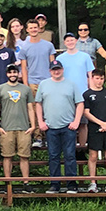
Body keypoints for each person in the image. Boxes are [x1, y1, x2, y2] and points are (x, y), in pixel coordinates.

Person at [34, 61, 83, 194]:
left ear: (62, 69)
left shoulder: (71, 84)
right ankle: (55, 184)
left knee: (70, 156)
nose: (56, 72)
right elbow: (38, 103)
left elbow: (80, 103)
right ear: (50, 71)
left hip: (68, 127)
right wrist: (40, 122)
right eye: (54, 69)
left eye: (58, 69)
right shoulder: (44, 84)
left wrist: (76, 121)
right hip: (50, 127)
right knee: (53, 156)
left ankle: (71, 184)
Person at [0, 64, 35, 192]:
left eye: (15, 72)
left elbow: (30, 108)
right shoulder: (0, 89)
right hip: (7, 128)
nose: (13, 75)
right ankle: (8, 183)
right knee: (7, 156)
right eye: (10, 73)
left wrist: (32, 126)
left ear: (18, 74)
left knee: (24, 156)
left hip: (24, 128)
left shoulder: (25, 89)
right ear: (7, 74)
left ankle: (26, 183)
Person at [82, 68, 106, 194]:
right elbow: (86, 113)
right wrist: (100, 123)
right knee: (93, 156)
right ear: (92, 79)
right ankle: (93, 183)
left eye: (101, 78)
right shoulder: (87, 94)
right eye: (97, 78)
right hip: (94, 128)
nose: (99, 81)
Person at [19, 19, 56, 92]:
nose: (33, 30)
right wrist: (26, 85)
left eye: (35, 27)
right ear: (27, 30)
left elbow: (53, 65)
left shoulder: (49, 45)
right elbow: (24, 68)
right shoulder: (24, 48)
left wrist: (54, 80)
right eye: (31, 28)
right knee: (33, 103)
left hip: (47, 80)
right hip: (32, 83)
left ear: (39, 29)